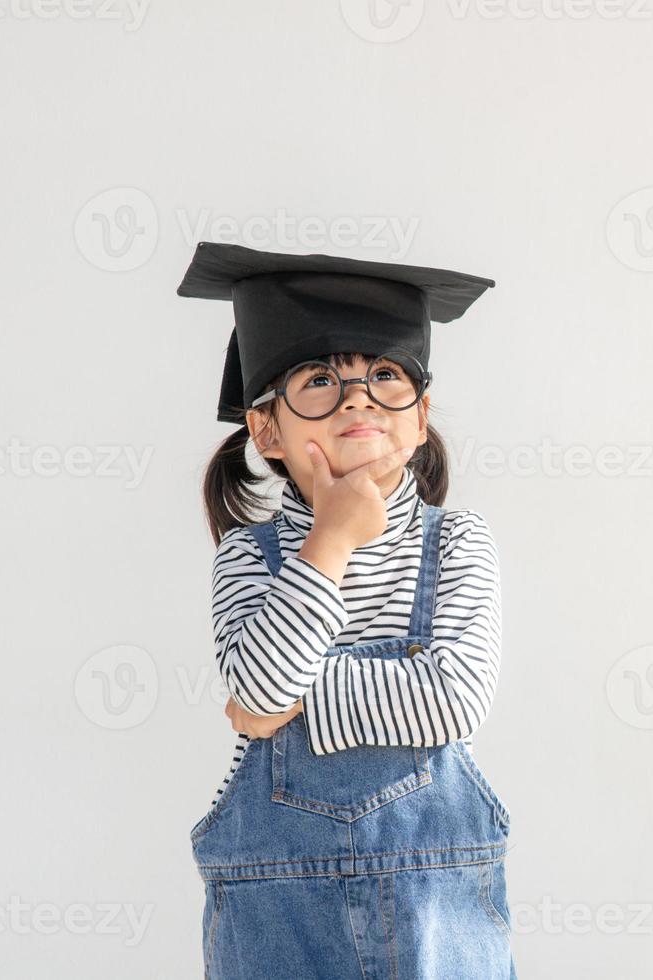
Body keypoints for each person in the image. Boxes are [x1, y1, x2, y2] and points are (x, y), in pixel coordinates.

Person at [179, 241, 516, 979]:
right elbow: (261, 692)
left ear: (419, 416)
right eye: (320, 381)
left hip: (439, 917)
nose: (357, 398)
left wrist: (283, 702)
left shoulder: (457, 543)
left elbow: (452, 701)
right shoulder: (246, 557)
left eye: (385, 376)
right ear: (267, 430)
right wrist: (328, 543)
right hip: (278, 923)